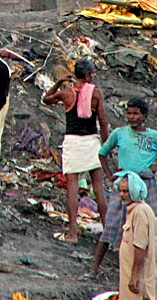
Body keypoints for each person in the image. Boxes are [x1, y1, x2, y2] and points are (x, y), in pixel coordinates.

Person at [93, 97, 157, 272]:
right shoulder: (119, 133)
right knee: (111, 224)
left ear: (144, 116)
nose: (131, 117)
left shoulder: (153, 136)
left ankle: (148, 267)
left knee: (148, 225)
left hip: (145, 183)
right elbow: (102, 152)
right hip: (123, 183)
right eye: (129, 113)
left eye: (135, 114)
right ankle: (95, 268)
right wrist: (110, 174)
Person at [43, 59, 111, 244]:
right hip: (91, 143)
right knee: (98, 188)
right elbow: (103, 123)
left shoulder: (67, 93)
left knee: (72, 189)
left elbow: (46, 99)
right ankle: (107, 233)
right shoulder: (96, 94)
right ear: (88, 75)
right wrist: (106, 147)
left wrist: (58, 82)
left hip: (73, 143)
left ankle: (72, 234)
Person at [115, 172, 157, 300]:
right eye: (120, 191)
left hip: (139, 274)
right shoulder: (141, 209)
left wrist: (134, 275)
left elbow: (140, 245)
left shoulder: (140, 212)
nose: (121, 194)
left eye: (125, 191)